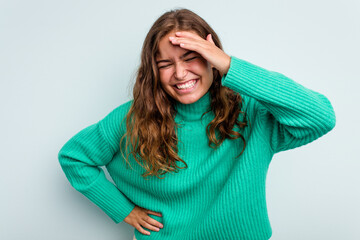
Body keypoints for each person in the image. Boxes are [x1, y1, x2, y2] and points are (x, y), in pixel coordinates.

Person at [58, 8, 336, 240]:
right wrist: (123, 210)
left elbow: (321, 117)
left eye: (191, 57)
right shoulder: (131, 118)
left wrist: (230, 66)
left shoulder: (251, 112)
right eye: (165, 63)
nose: (180, 73)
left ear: (211, 58)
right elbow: (74, 157)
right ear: (153, 70)